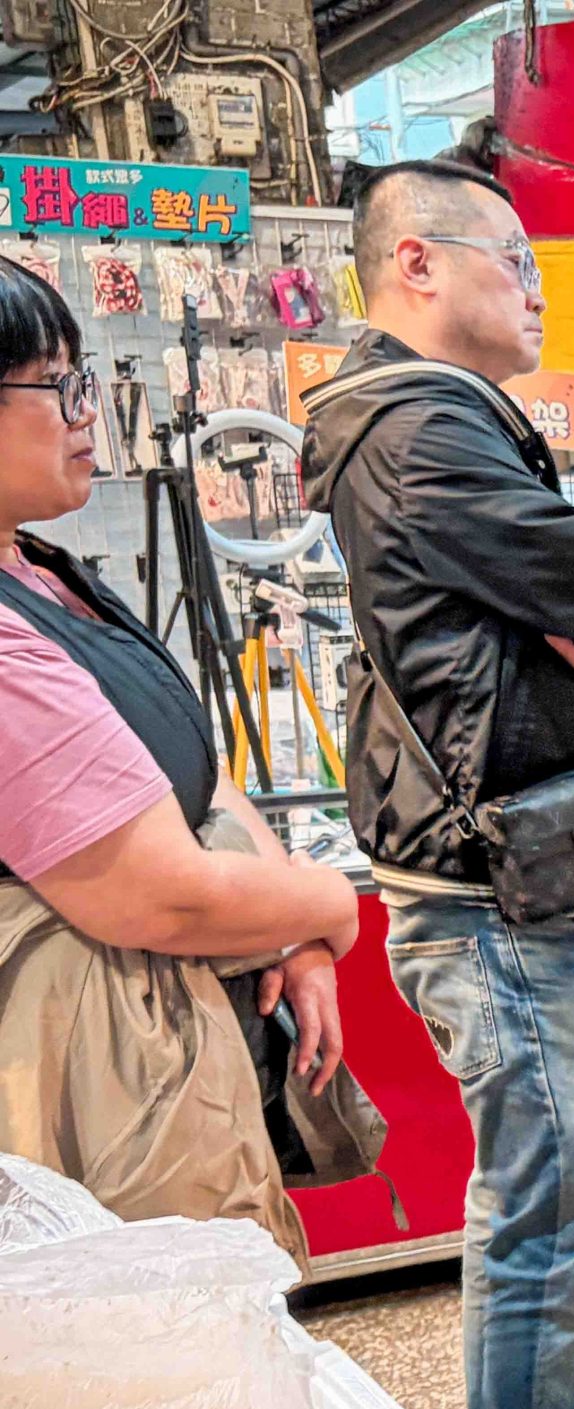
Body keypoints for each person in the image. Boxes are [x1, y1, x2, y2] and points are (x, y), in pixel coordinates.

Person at [301, 157, 574, 1409]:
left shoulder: (431, 418)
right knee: (545, 1221)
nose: (535, 289)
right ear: (415, 263)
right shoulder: (418, 427)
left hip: (516, 879)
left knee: (552, 1209)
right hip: (497, 898)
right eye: (513, 260)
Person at [0, 259, 359, 1258]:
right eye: (59, 385)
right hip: (99, 1085)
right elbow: (157, 894)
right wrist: (327, 906)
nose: (88, 413)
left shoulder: (44, 571)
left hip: (165, 1048)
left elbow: (192, 776)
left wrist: (286, 932)